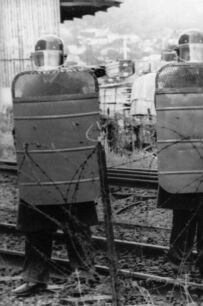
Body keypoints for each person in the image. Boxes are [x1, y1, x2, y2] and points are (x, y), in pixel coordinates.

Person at [12, 34, 99, 297]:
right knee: (35, 226)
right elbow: (21, 127)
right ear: (34, 60)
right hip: (39, 164)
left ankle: (83, 277)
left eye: (52, 57)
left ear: (63, 59)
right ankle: (35, 278)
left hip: (72, 163)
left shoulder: (76, 82)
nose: (46, 63)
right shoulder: (26, 86)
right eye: (42, 58)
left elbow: (86, 120)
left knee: (77, 225)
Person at [157, 30, 203, 275]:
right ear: (179, 55)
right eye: (189, 52)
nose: (193, 57)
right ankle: (179, 260)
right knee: (184, 210)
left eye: (198, 51)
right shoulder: (170, 78)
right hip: (182, 155)